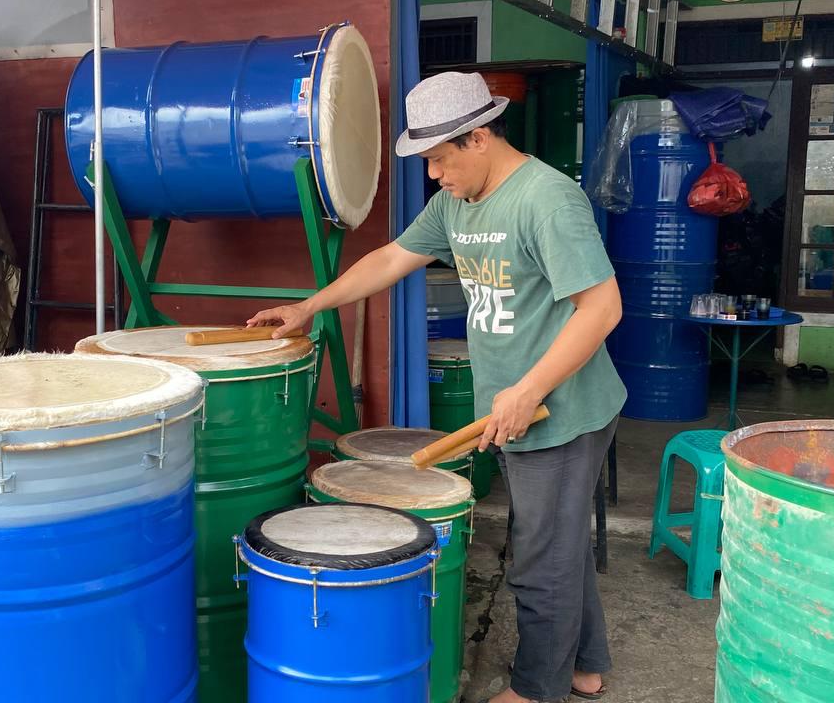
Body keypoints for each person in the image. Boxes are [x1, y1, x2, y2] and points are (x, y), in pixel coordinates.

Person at [247, 71, 626, 703]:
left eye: (440, 159)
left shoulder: (547, 199)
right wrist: (312, 306)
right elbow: (391, 259)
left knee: (540, 558)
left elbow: (602, 307)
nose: (433, 175)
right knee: (560, 545)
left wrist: (529, 388)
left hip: (563, 409)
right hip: (517, 404)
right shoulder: (457, 201)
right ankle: (585, 665)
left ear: (478, 138)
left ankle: (538, 689)